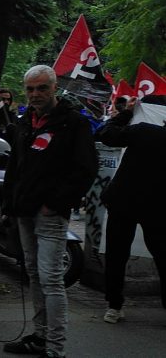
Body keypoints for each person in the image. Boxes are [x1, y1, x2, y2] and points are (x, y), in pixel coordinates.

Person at [2, 65, 98, 358]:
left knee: (51, 278)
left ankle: (55, 348)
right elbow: (15, 168)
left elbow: (85, 170)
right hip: (24, 212)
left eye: (42, 88)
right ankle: (40, 337)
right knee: (33, 273)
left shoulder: (73, 123)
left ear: (55, 88)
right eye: (30, 89)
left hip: (50, 214)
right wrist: (10, 205)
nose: (35, 94)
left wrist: (55, 202)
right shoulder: (24, 122)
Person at [95, 95, 166, 322]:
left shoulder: (143, 130)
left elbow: (106, 134)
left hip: (124, 201)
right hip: (158, 206)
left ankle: (114, 305)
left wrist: (126, 113)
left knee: (117, 255)